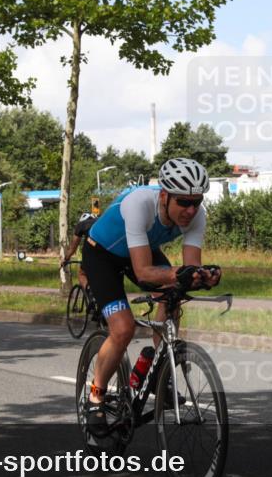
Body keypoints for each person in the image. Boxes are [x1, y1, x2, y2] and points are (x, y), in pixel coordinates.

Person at [81, 158, 221, 434]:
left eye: (197, 201)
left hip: (140, 248)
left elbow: (188, 269)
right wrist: (181, 274)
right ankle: (96, 396)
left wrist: (202, 277)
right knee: (123, 329)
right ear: (164, 195)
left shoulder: (197, 215)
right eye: (183, 202)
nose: (190, 210)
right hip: (102, 255)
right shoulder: (138, 204)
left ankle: (160, 372)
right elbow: (144, 273)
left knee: (175, 295)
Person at [61, 212, 96, 290]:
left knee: (82, 273)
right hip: (108, 251)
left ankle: (90, 293)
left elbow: (73, 248)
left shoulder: (81, 225)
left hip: (92, 252)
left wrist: (66, 259)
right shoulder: (100, 222)